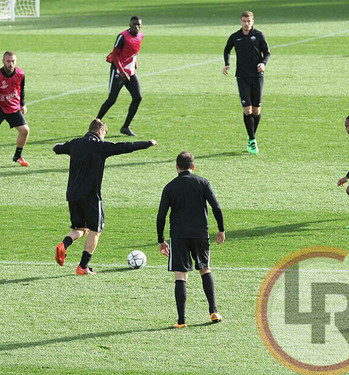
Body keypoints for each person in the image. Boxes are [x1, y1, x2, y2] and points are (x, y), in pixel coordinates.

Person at [53, 118, 157, 275]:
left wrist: (62, 146)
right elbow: (124, 147)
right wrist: (147, 143)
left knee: (81, 228)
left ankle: (64, 244)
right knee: (95, 230)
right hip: (91, 196)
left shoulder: (75, 143)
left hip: (72, 194)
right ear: (100, 131)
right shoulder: (99, 146)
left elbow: (57, 148)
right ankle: (83, 266)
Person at [156, 151, 225, 328]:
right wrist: (221, 229)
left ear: (176, 167)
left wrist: (161, 240)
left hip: (178, 236)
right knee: (205, 269)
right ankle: (214, 311)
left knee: (181, 276)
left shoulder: (170, 187)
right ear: (193, 167)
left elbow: (161, 216)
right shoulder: (203, 183)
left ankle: (181, 321)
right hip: (200, 234)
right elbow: (216, 207)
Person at [223, 11, 270, 154]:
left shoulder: (259, 35)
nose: (246, 23)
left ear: (253, 21)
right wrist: (227, 64)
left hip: (257, 77)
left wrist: (263, 63)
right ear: (241, 22)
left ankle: (252, 137)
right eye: (244, 21)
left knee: (256, 111)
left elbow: (267, 52)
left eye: (248, 21)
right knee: (247, 109)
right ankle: (252, 140)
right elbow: (227, 50)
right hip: (242, 77)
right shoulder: (235, 36)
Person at [0, 51, 30, 166]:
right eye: (8, 61)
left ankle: (18, 156)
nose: (11, 64)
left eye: (13, 61)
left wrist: (22, 104)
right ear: (3, 62)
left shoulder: (20, 73)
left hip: (13, 107)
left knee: (25, 130)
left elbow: (22, 88)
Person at [96, 16, 144, 137]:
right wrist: (122, 72)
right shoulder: (122, 36)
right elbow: (115, 55)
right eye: (134, 24)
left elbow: (135, 53)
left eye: (138, 24)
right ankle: (96, 122)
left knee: (138, 97)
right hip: (118, 71)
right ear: (129, 24)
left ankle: (125, 126)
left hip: (130, 71)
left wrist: (135, 66)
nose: (136, 27)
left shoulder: (141, 36)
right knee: (112, 99)